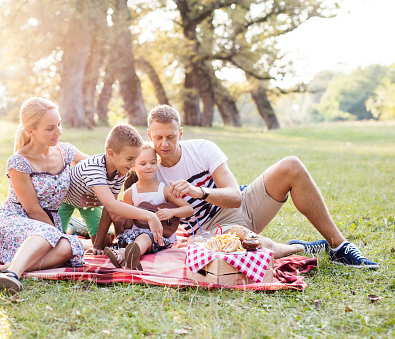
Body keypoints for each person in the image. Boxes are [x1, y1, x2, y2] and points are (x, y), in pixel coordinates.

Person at [146, 105, 378, 269]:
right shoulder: (148, 169)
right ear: (149, 135)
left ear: (181, 134)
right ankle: (297, 249)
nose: (164, 144)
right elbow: (128, 203)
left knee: (291, 165)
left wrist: (201, 192)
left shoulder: (203, 149)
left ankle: (339, 247)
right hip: (214, 229)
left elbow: (235, 197)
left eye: (171, 137)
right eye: (158, 138)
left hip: (245, 203)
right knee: (256, 248)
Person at [0, 97, 88, 293]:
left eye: (59, 124)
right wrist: (56, 234)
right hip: (16, 221)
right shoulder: (18, 162)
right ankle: (12, 274)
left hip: (46, 226)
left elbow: (96, 168)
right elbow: (34, 210)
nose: (59, 132)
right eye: (50, 128)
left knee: (71, 246)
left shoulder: (66, 151)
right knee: (54, 236)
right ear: (30, 131)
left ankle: (0, 270)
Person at [63, 124, 166, 255]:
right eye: (129, 159)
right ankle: (73, 225)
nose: (133, 164)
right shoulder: (94, 169)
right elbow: (112, 206)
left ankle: (80, 227)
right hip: (64, 201)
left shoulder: (121, 171)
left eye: (136, 158)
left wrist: (97, 247)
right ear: (110, 153)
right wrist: (150, 216)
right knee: (56, 242)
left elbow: (109, 209)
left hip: (88, 205)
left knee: (106, 243)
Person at [103, 143, 193, 270]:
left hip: (158, 237)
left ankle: (124, 254)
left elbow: (189, 209)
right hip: (133, 235)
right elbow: (128, 226)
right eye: (143, 164)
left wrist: (171, 213)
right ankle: (125, 255)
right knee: (130, 238)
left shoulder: (164, 190)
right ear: (133, 166)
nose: (149, 167)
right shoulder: (129, 193)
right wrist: (120, 222)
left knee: (145, 237)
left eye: (153, 163)